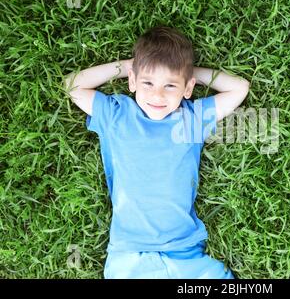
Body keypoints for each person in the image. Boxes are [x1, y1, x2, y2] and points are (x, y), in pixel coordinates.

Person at [63, 26, 250, 279]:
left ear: (187, 88)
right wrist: (129, 65)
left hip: (184, 253)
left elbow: (240, 88)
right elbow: (72, 85)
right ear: (133, 81)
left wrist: (187, 72)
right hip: (129, 254)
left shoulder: (192, 118)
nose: (157, 94)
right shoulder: (116, 114)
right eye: (147, 82)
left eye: (170, 85)